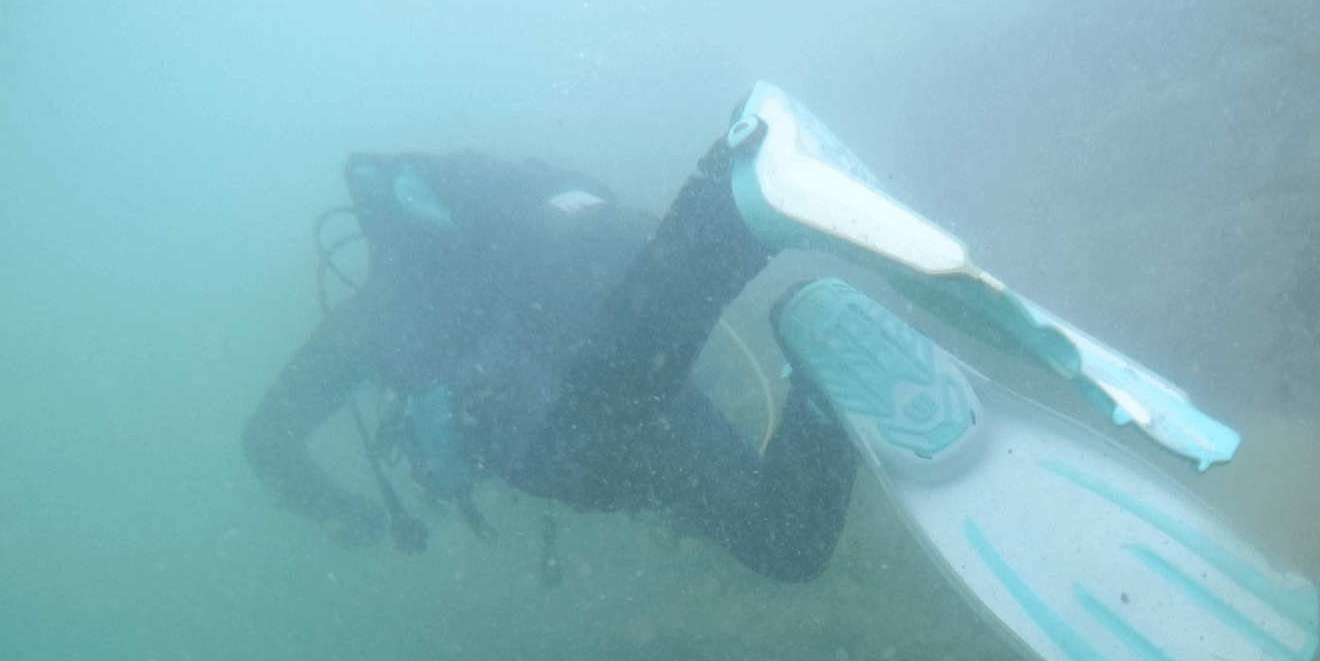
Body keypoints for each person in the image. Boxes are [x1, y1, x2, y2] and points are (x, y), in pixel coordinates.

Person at [243, 137, 860, 583]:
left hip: (577, 442)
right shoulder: (511, 258)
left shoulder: (383, 306)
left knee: (779, 537)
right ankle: (829, 374)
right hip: (630, 390)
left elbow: (269, 437)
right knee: (790, 545)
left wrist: (341, 515)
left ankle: (730, 201)